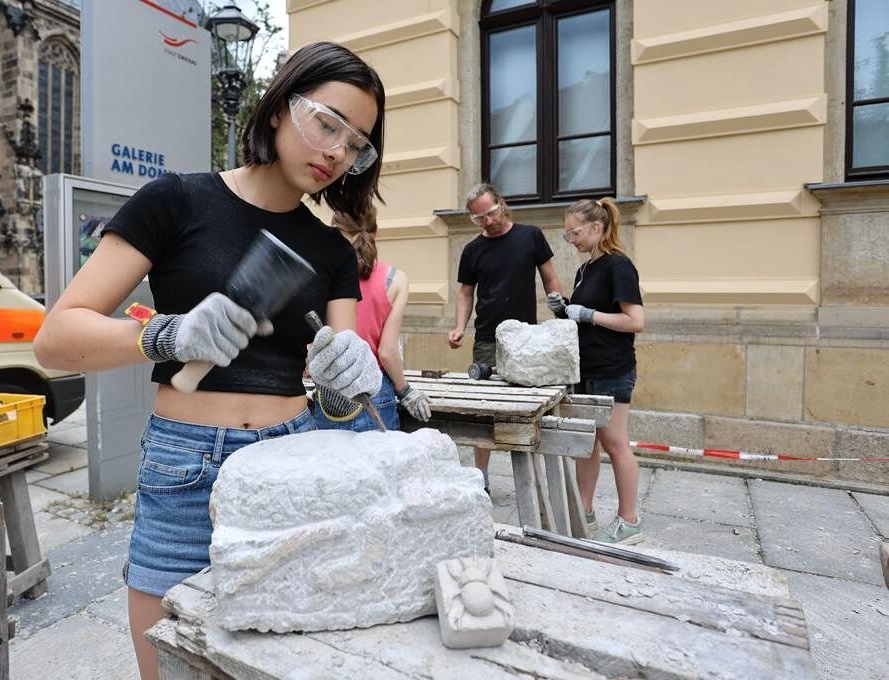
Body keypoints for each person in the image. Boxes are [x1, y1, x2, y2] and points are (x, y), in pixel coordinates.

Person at [33, 41, 386, 679]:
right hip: (186, 459)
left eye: (357, 142)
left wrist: (345, 382)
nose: (337, 150)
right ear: (278, 108)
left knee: (279, 655)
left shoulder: (332, 248)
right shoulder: (176, 201)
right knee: (168, 663)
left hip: (293, 454)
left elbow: (339, 381)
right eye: (327, 122)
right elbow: (56, 338)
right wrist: (170, 336)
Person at [447, 182, 563, 491]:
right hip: (487, 337)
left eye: (491, 212)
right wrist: (460, 326)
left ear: (503, 203)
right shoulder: (472, 250)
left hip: (526, 338)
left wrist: (563, 318)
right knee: (482, 407)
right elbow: (465, 293)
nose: (488, 220)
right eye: (480, 218)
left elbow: (550, 278)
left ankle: (533, 478)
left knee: (526, 407)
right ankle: (480, 476)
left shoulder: (531, 236)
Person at [549, 197, 645, 544]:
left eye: (574, 233)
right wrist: (565, 310)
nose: (571, 240)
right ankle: (583, 512)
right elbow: (584, 320)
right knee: (585, 444)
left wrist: (589, 314)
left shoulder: (619, 266)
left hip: (612, 368)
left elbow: (635, 321)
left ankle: (629, 520)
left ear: (596, 228)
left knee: (615, 443)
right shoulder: (586, 269)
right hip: (584, 368)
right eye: (567, 235)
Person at [312, 204, 432, 431]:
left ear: (335, 231)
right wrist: (406, 391)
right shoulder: (395, 280)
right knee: (381, 465)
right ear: (376, 232)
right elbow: (387, 352)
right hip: (374, 390)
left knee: (332, 465)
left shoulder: (323, 275)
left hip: (331, 395)